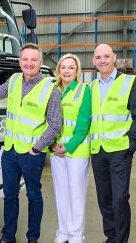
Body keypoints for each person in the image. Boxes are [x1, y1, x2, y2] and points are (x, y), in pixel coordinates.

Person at [0, 43, 61, 243]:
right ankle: (8, 236)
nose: (29, 63)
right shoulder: (14, 80)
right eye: (25, 59)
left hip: (31, 154)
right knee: (9, 196)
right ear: (20, 62)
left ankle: (32, 237)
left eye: (33, 60)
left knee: (34, 196)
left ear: (40, 62)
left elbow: (55, 125)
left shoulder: (50, 89)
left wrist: (36, 149)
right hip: (10, 151)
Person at [89, 44, 136, 243]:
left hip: (120, 151)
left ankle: (121, 240)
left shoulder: (130, 82)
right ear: (93, 61)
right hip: (97, 151)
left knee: (119, 198)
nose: (102, 60)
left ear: (114, 58)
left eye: (106, 56)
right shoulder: (92, 86)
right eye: (98, 57)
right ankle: (111, 237)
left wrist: (131, 144)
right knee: (104, 199)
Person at [50, 53, 91, 243]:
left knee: (76, 194)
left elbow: (83, 124)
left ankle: (76, 234)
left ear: (77, 71)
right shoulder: (53, 90)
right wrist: (52, 145)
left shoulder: (84, 90)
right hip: (56, 150)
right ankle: (63, 231)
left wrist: (68, 146)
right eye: (63, 67)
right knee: (61, 193)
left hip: (76, 150)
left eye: (71, 67)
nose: (67, 71)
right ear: (58, 70)